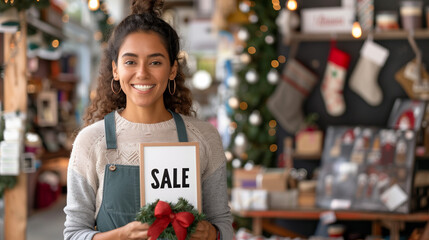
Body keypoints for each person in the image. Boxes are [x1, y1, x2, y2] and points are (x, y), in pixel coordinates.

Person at [63, 0, 233, 239]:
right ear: (115, 69)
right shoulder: (91, 141)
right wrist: (120, 236)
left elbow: (224, 226)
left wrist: (212, 234)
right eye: (130, 61)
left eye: (155, 62)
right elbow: (72, 234)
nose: (142, 73)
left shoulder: (204, 137)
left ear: (172, 69)